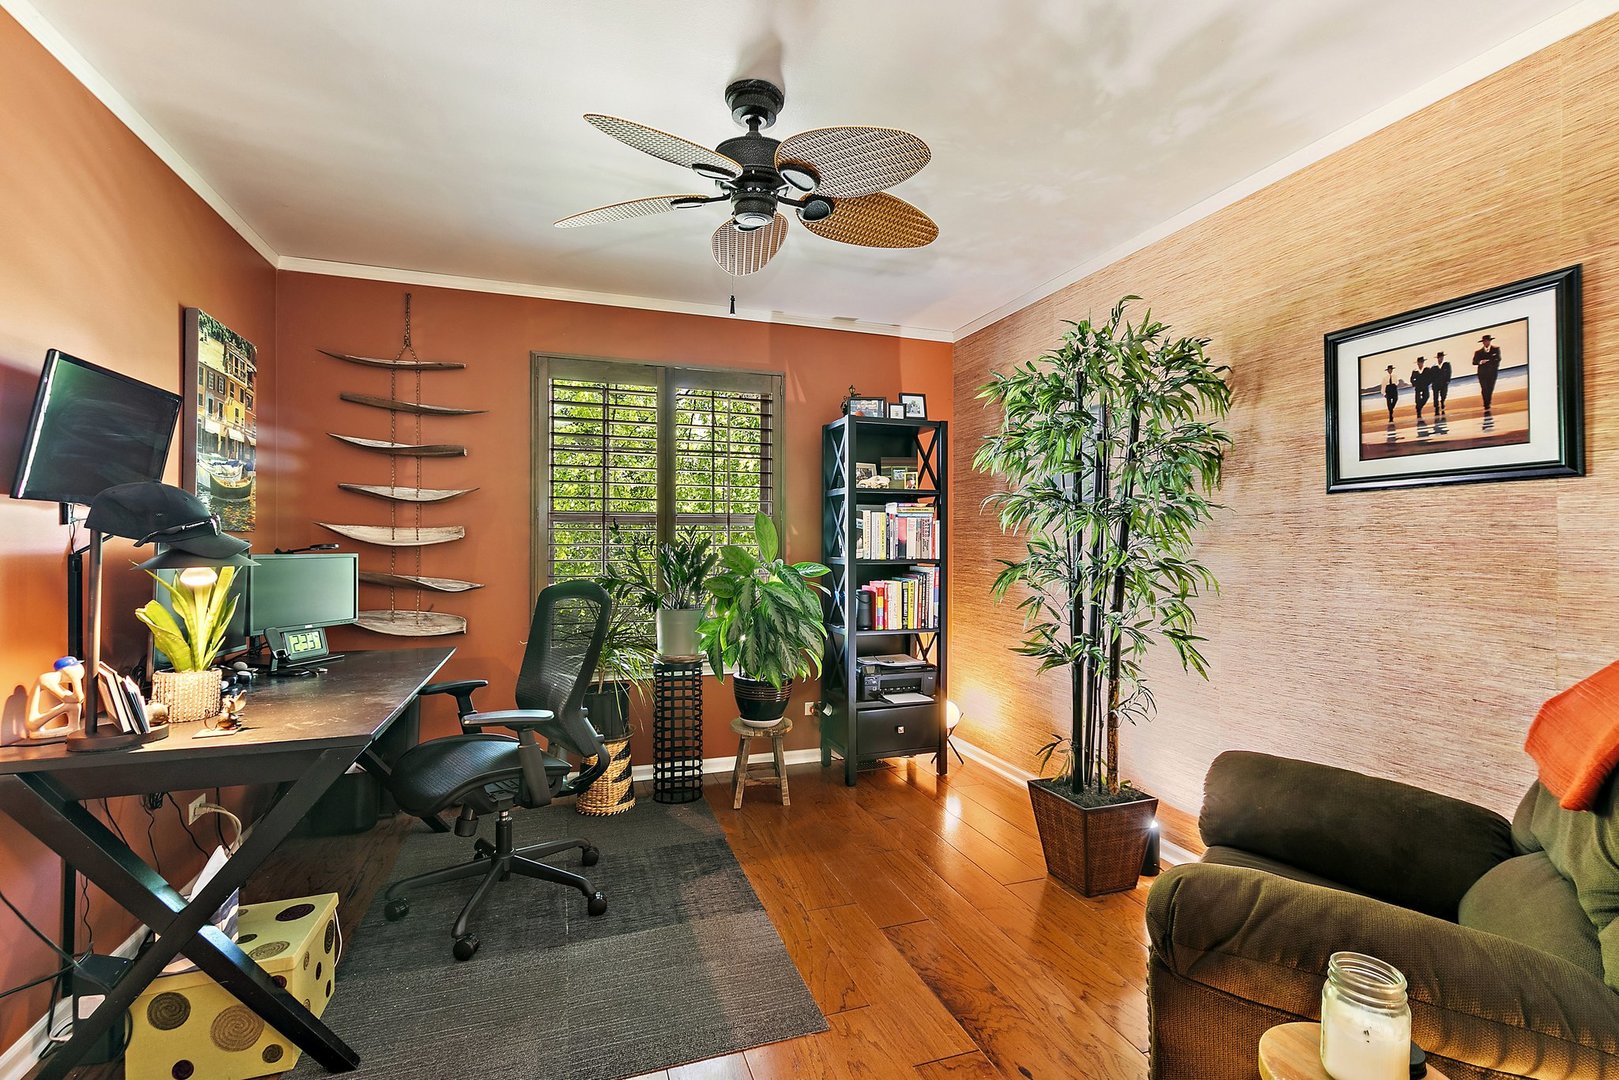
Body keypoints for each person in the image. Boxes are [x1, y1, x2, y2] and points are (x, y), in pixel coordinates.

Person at [1473, 334, 1502, 410]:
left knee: (1490, 388)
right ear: (1482, 342)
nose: (1486, 343)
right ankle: (1486, 404)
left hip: (1492, 373)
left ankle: (1488, 402)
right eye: (1484, 341)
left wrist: (1491, 363)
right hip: (1482, 374)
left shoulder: (1496, 349)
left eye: (1487, 341)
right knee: (1484, 388)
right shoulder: (1478, 352)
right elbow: (1474, 362)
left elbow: (1498, 359)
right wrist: (1481, 361)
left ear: (1490, 341)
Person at [1410, 356, 1431, 421]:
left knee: (1426, 397)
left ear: (1423, 362)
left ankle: (1418, 408)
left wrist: (1427, 383)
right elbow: (1412, 379)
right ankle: (1418, 412)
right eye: (1419, 362)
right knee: (1417, 400)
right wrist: (1414, 384)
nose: (1420, 363)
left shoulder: (1427, 369)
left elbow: (1430, 377)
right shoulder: (1415, 371)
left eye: (1421, 362)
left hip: (1425, 386)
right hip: (1418, 387)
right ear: (1417, 363)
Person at [1432, 351, 1452, 415]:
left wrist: (1448, 380)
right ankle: (1436, 407)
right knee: (1435, 396)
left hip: (1444, 383)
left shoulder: (1447, 364)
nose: (1441, 358)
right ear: (1438, 358)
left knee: (1444, 395)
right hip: (1436, 384)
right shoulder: (1434, 367)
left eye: (1442, 357)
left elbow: (1449, 372)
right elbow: (1431, 376)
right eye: (1440, 357)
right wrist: (1433, 382)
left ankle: (1442, 402)